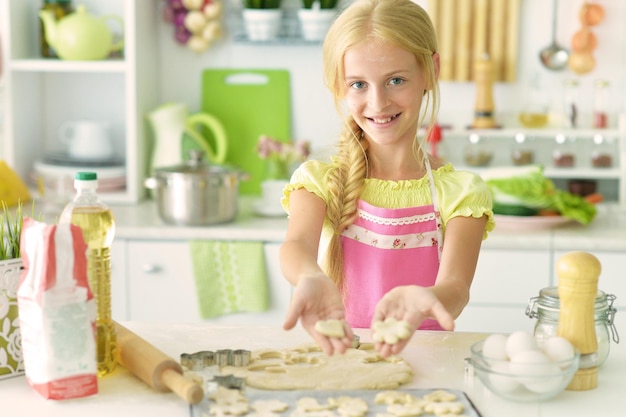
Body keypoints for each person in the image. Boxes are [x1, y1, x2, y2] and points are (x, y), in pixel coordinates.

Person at [279, 0, 494, 358]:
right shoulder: (320, 180)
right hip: (343, 356)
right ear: (339, 86)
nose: (378, 103)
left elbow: (456, 288)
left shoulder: (459, 193)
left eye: (396, 80)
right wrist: (310, 277)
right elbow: (296, 247)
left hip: (430, 362)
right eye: (359, 84)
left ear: (430, 71)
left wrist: (430, 299)